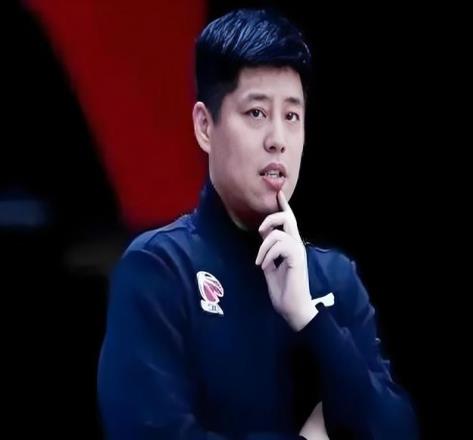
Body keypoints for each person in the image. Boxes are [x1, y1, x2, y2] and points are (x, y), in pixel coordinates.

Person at [97, 8, 418, 439]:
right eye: (256, 113)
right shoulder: (159, 270)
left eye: (292, 116)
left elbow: (397, 430)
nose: (278, 140)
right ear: (205, 126)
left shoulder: (334, 279)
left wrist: (309, 317)